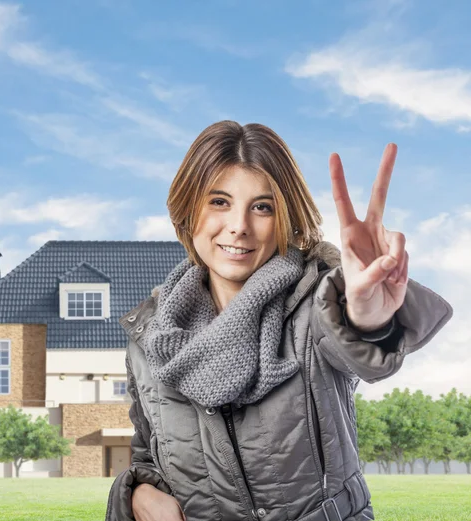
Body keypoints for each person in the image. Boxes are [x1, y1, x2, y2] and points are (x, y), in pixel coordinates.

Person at [105, 121, 453, 521]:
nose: (239, 225)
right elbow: (149, 453)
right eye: (219, 202)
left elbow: (354, 340)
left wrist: (368, 317)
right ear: (188, 210)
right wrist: (137, 494)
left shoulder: (317, 303)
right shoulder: (151, 335)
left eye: (262, 207)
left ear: (285, 217)